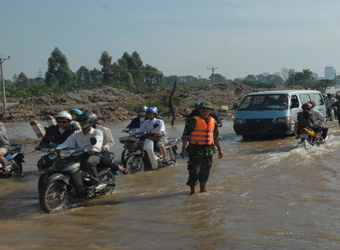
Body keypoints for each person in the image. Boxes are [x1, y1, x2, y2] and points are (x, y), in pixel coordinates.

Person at [180, 101, 224, 195]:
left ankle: (203, 190)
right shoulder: (192, 121)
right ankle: (193, 192)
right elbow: (185, 136)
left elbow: (216, 137)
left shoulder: (213, 121)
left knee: (206, 170)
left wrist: (220, 150)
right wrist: (183, 149)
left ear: (211, 110)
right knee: (194, 171)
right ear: (199, 110)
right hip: (195, 150)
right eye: (203, 109)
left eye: (207, 109)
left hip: (208, 150)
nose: (205, 110)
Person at [56, 112, 104, 191]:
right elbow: (67, 143)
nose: (82, 124)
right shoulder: (76, 133)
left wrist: (94, 149)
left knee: (89, 162)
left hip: (94, 154)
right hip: (79, 154)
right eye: (81, 122)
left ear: (92, 123)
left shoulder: (97, 132)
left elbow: (98, 143)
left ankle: (95, 183)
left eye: (84, 122)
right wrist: (57, 149)